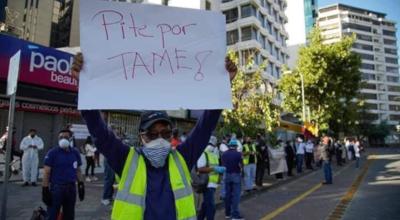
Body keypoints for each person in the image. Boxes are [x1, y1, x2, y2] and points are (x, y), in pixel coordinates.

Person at [71, 53, 238, 219]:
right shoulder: (126, 160)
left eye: (165, 133)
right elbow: (99, 132)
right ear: (142, 137)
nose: (159, 138)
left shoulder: (182, 157)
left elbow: (205, 127)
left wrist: (222, 85)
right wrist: (84, 85)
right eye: (152, 134)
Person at [42, 129, 85, 220]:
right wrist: (45, 189)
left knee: (69, 215)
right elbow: (46, 172)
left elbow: (78, 170)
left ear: (70, 139)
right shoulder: (52, 153)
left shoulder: (75, 152)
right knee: (52, 214)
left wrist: (81, 184)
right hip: (57, 189)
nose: (63, 139)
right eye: (60, 137)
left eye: (65, 137)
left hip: (71, 188)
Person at [196, 136, 226, 220]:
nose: (213, 146)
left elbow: (215, 167)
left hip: (213, 184)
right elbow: (200, 169)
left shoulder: (214, 155)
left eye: (213, 145)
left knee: (206, 204)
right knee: (211, 207)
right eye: (211, 144)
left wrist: (220, 172)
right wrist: (214, 169)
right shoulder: (203, 153)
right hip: (207, 184)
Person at [222, 139, 244, 220]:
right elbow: (241, 165)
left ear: (229, 145)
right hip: (236, 175)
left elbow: (223, 164)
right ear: (236, 146)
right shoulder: (239, 154)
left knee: (227, 195)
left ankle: (227, 214)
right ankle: (235, 215)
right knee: (236, 196)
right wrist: (242, 173)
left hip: (226, 175)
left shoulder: (224, 154)